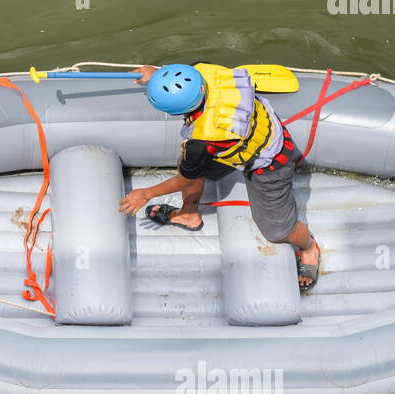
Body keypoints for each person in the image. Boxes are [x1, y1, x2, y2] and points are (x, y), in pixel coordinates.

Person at [117, 63, 322, 290]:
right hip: (250, 136)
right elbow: (187, 77)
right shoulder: (204, 71)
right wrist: (159, 75)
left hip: (271, 163)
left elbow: (186, 179)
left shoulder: (200, 143)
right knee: (186, 164)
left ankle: (309, 248)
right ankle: (188, 214)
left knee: (278, 231)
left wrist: (146, 193)